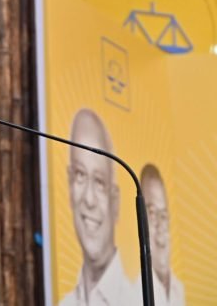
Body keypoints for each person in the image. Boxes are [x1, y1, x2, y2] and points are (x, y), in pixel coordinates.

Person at [60, 108, 133, 306]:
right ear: (69, 186)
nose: (89, 200)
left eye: (99, 182)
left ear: (115, 202)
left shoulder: (140, 299)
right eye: (80, 175)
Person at [134, 164, 185, 306]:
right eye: (152, 214)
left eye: (163, 215)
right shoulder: (132, 294)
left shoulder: (180, 289)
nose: (160, 226)